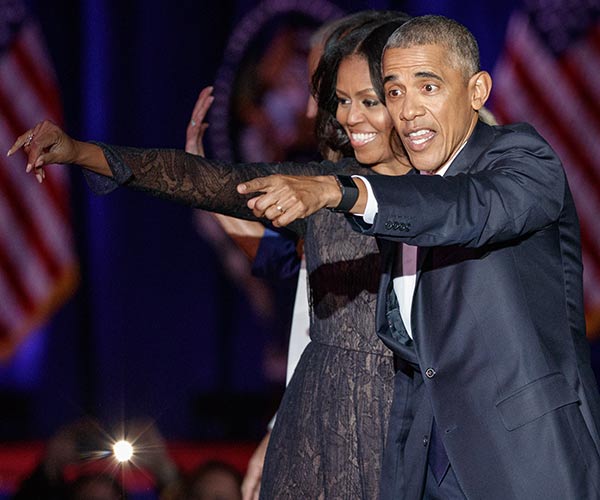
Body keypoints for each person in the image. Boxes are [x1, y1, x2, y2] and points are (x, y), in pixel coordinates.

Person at [9, 14, 414, 499]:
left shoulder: (454, 188)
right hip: (322, 426)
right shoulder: (315, 187)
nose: (341, 115)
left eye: (367, 100)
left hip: (412, 427)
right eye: (339, 100)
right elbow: (203, 184)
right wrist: (79, 151)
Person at [237, 14, 600, 499]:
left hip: (526, 461)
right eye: (394, 91)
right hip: (424, 468)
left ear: (476, 91)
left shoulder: (523, 159)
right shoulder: (404, 193)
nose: (407, 110)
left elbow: (465, 208)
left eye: (427, 87)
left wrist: (340, 191)